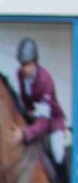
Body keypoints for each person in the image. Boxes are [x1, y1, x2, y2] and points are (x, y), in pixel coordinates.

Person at [14, 37, 70, 175]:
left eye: (26, 64)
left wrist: (25, 133)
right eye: (22, 64)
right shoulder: (20, 74)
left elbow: (44, 122)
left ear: (35, 62)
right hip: (34, 117)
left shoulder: (45, 80)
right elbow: (24, 101)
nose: (23, 68)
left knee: (57, 152)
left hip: (53, 121)